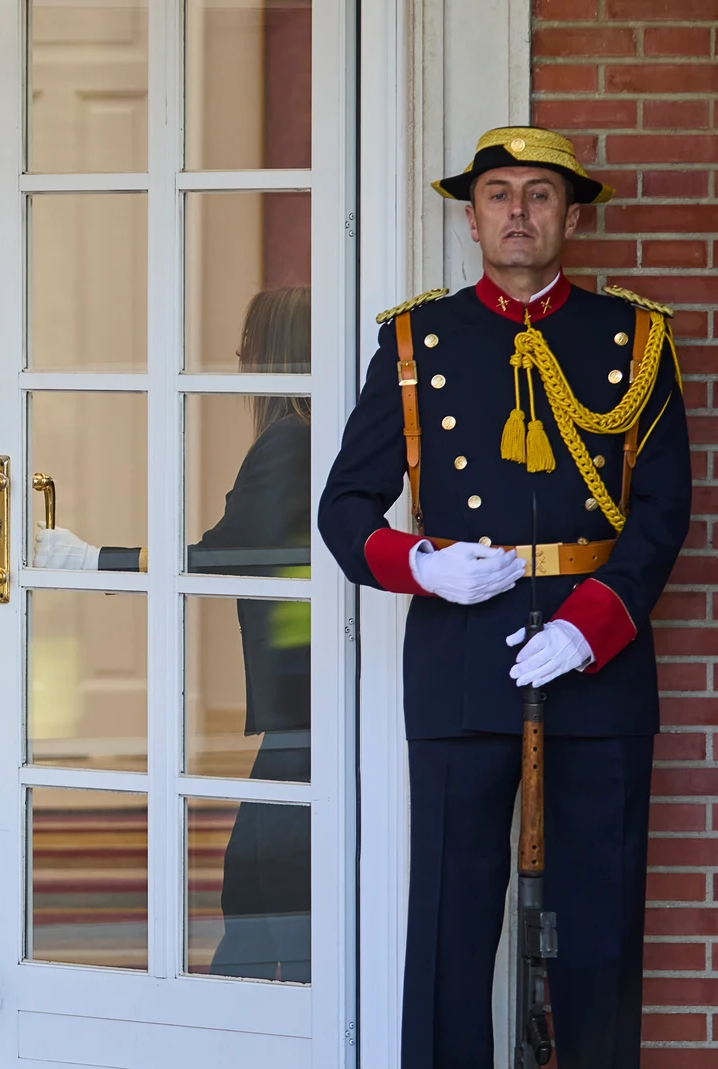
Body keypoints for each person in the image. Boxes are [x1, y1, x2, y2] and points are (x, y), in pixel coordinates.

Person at [318, 128, 688, 1067]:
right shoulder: (415, 341)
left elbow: (663, 508)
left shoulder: (635, 338)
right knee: (449, 924)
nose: (517, 211)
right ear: (472, 214)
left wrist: (592, 624)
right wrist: (418, 564)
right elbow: (345, 505)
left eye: (538, 194)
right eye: (497, 193)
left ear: (572, 213)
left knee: (598, 928)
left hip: (595, 661)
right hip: (461, 654)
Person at [34, 286, 314, 982]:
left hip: (304, 702)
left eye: (251, 342)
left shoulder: (289, 440)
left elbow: (221, 553)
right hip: (303, 700)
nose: (239, 355)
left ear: (275, 352)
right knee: (254, 885)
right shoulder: (305, 435)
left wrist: (95, 560)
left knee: (260, 887)